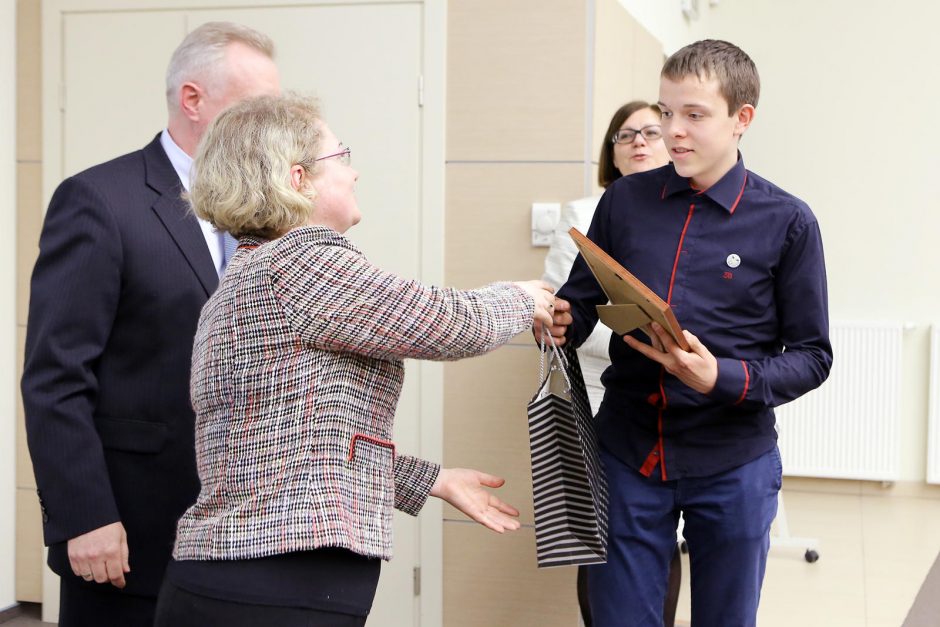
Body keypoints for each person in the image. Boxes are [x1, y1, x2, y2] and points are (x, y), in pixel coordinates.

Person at [152, 93, 556, 626]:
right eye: (341, 157)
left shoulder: (244, 278)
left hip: (231, 579)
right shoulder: (299, 263)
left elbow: (293, 447)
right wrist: (524, 297)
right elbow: (444, 322)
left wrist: (430, 480)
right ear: (298, 179)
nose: (355, 171)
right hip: (277, 584)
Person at [542, 40, 832, 626]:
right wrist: (560, 322)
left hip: (733, 463)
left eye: (694, 115)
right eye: (667, 111)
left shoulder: (788, 221)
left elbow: (812, 357)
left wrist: (720, 375)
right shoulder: (624, 200)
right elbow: (582, 300)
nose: (672, 132)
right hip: (626, 453)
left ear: (741, 119)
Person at [21, 22, 281, 626]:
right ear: (194, 100)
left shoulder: (267, 216)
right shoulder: (98, 201)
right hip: (127, 537)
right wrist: (84, 515)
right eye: (255, 107)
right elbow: (55, 379)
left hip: (243, 538)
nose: (269, 125)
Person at [541, 101, 678, 627]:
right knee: (605, 537)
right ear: (612, 156)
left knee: (664, 539)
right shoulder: (583, 213)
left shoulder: (691, 213)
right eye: (625, 136)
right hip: (601, 395)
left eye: (650, 131)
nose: (639, 142)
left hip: (682, 398)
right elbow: (568, 311)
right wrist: (649, 338)